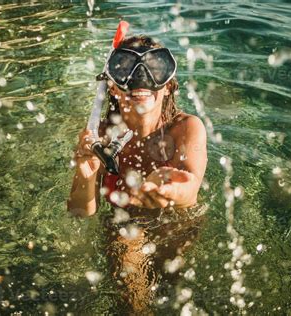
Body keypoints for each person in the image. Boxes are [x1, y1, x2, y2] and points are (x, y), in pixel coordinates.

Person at [67, 35, 208, 313]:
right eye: (125, 67)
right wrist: (85, 174)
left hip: (177, 223)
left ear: (168, 86)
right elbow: (80, 213)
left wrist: (166, 190)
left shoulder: (186, 128)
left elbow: (190, 189)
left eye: (155, 68)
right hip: (124, 225)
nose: (141, 78)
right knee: (123, 246)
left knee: (173, 291)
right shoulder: (100, 136)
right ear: (113, 87)